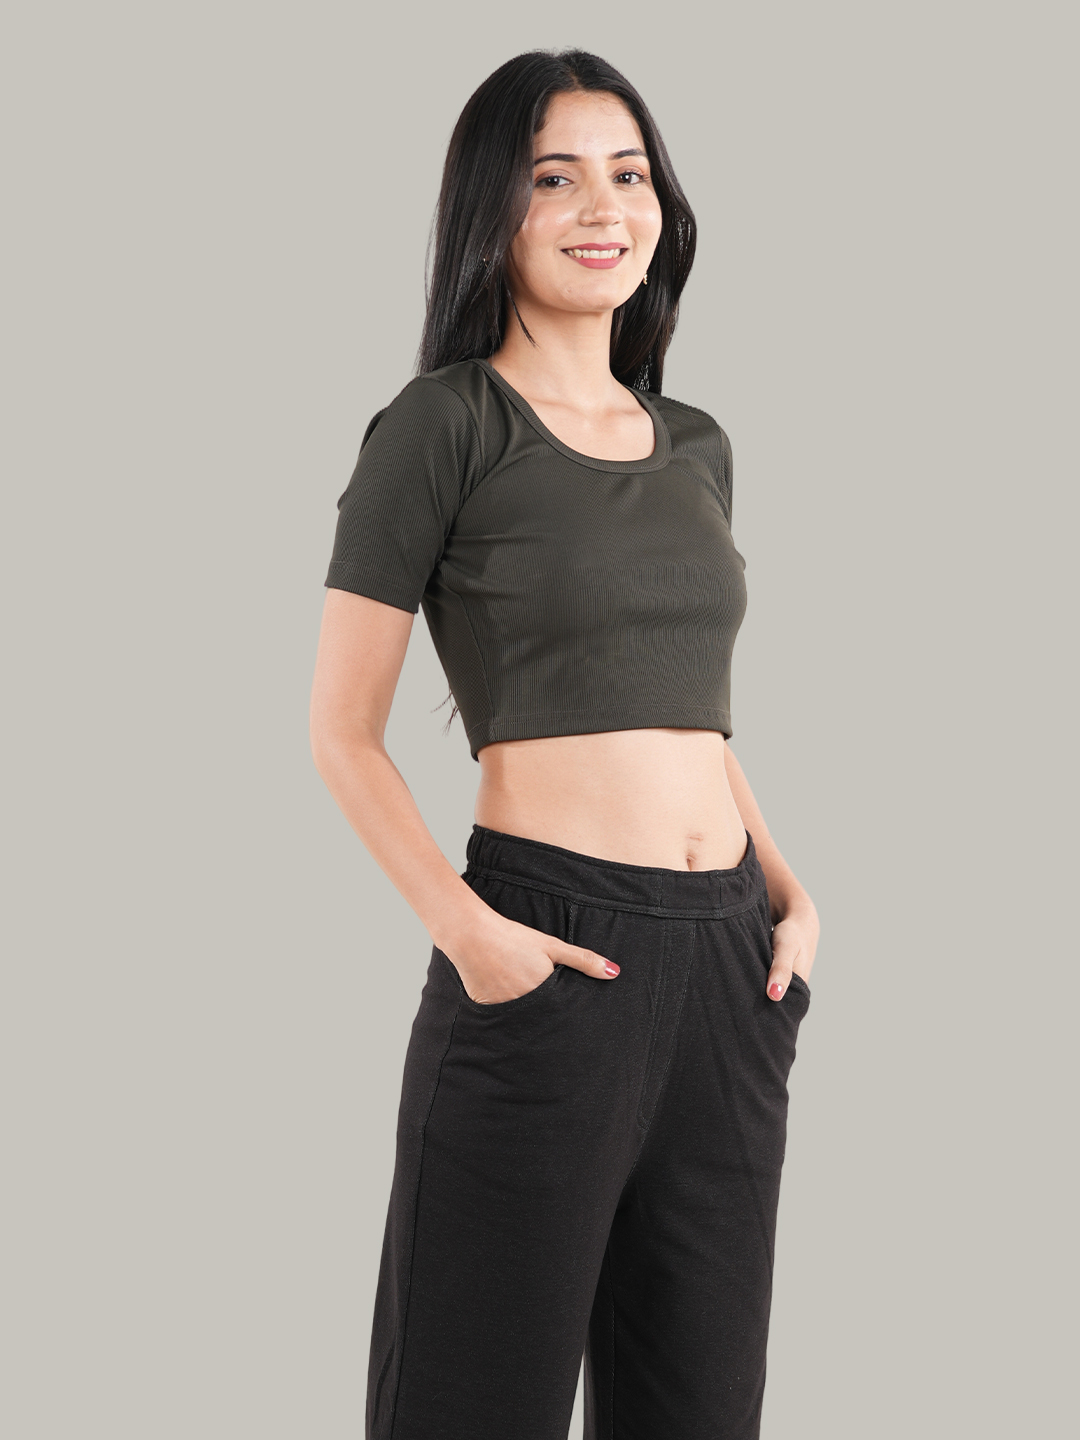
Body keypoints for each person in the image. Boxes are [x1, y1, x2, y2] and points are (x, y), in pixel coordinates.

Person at [309, 47, 820, 1440]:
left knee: (700, 1411)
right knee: (471, 1403)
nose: (604, 207)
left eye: (629, 173)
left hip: (730, 962)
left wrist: (786, 885)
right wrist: (472, 934)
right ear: (496, 209)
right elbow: (342, 732)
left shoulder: (696, 443)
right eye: (555, 178)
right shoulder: (443, 426)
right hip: (547, 948)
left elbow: (691, 710)